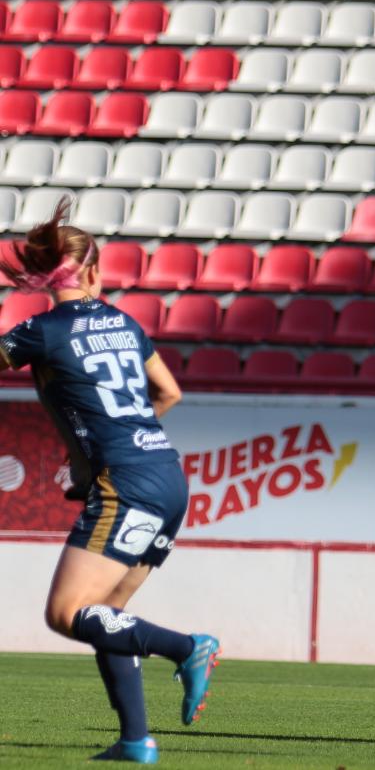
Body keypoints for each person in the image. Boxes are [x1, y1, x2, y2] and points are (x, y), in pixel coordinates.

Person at [0, 199, 219, 765]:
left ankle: (188, 647)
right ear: (93, 272)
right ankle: (136, 741)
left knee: (66, 612)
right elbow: (169, 393)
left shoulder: (42, 331)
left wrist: (103, 453)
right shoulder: (125, 323)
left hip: (126, 484)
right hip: (166, 476)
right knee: (108, 616)